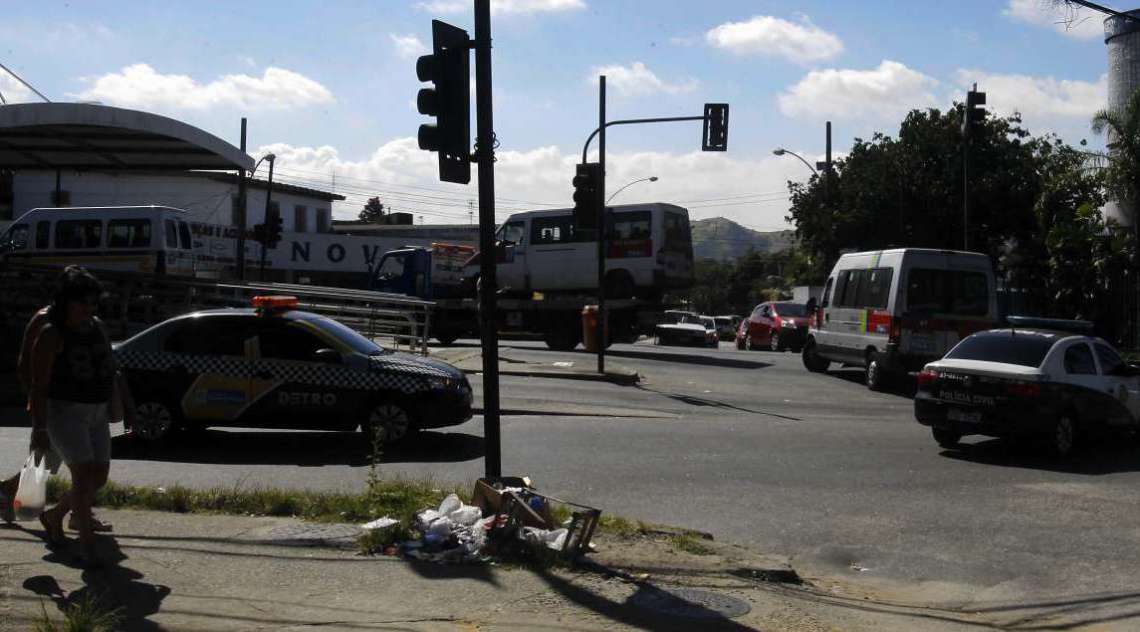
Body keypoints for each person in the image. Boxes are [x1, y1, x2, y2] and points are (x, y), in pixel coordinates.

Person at [0, 267, 121, 532]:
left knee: (71, 466)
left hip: (83, 405)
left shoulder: (89, 323)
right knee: (46, 463)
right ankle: (13, 494)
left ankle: (79, 513)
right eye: (81, 299)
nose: (87, 306)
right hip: (56, 405)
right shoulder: (45, 321)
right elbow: (26, 365)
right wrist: (36, 413)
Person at [28, 267, 128, 565]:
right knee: (83, 477)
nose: (88, 308)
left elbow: (111, 368)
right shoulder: (51, 333)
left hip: (96, 411)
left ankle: (54, 516)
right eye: (81, 302)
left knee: (98, 478)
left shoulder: (96, 325)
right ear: (64, 302)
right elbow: (38, 384)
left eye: (92, 302)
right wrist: (39, 427)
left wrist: (127, 407)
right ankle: (87, 548)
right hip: (65, 412)